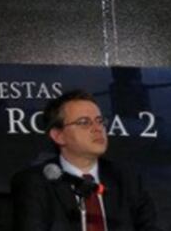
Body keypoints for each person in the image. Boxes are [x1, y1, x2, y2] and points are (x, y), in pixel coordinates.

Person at [10, 90, 161, 231]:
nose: (97, 128)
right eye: (84, 122)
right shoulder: (34, 182)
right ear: (58, 135)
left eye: (99, 121)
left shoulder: (127, 179)